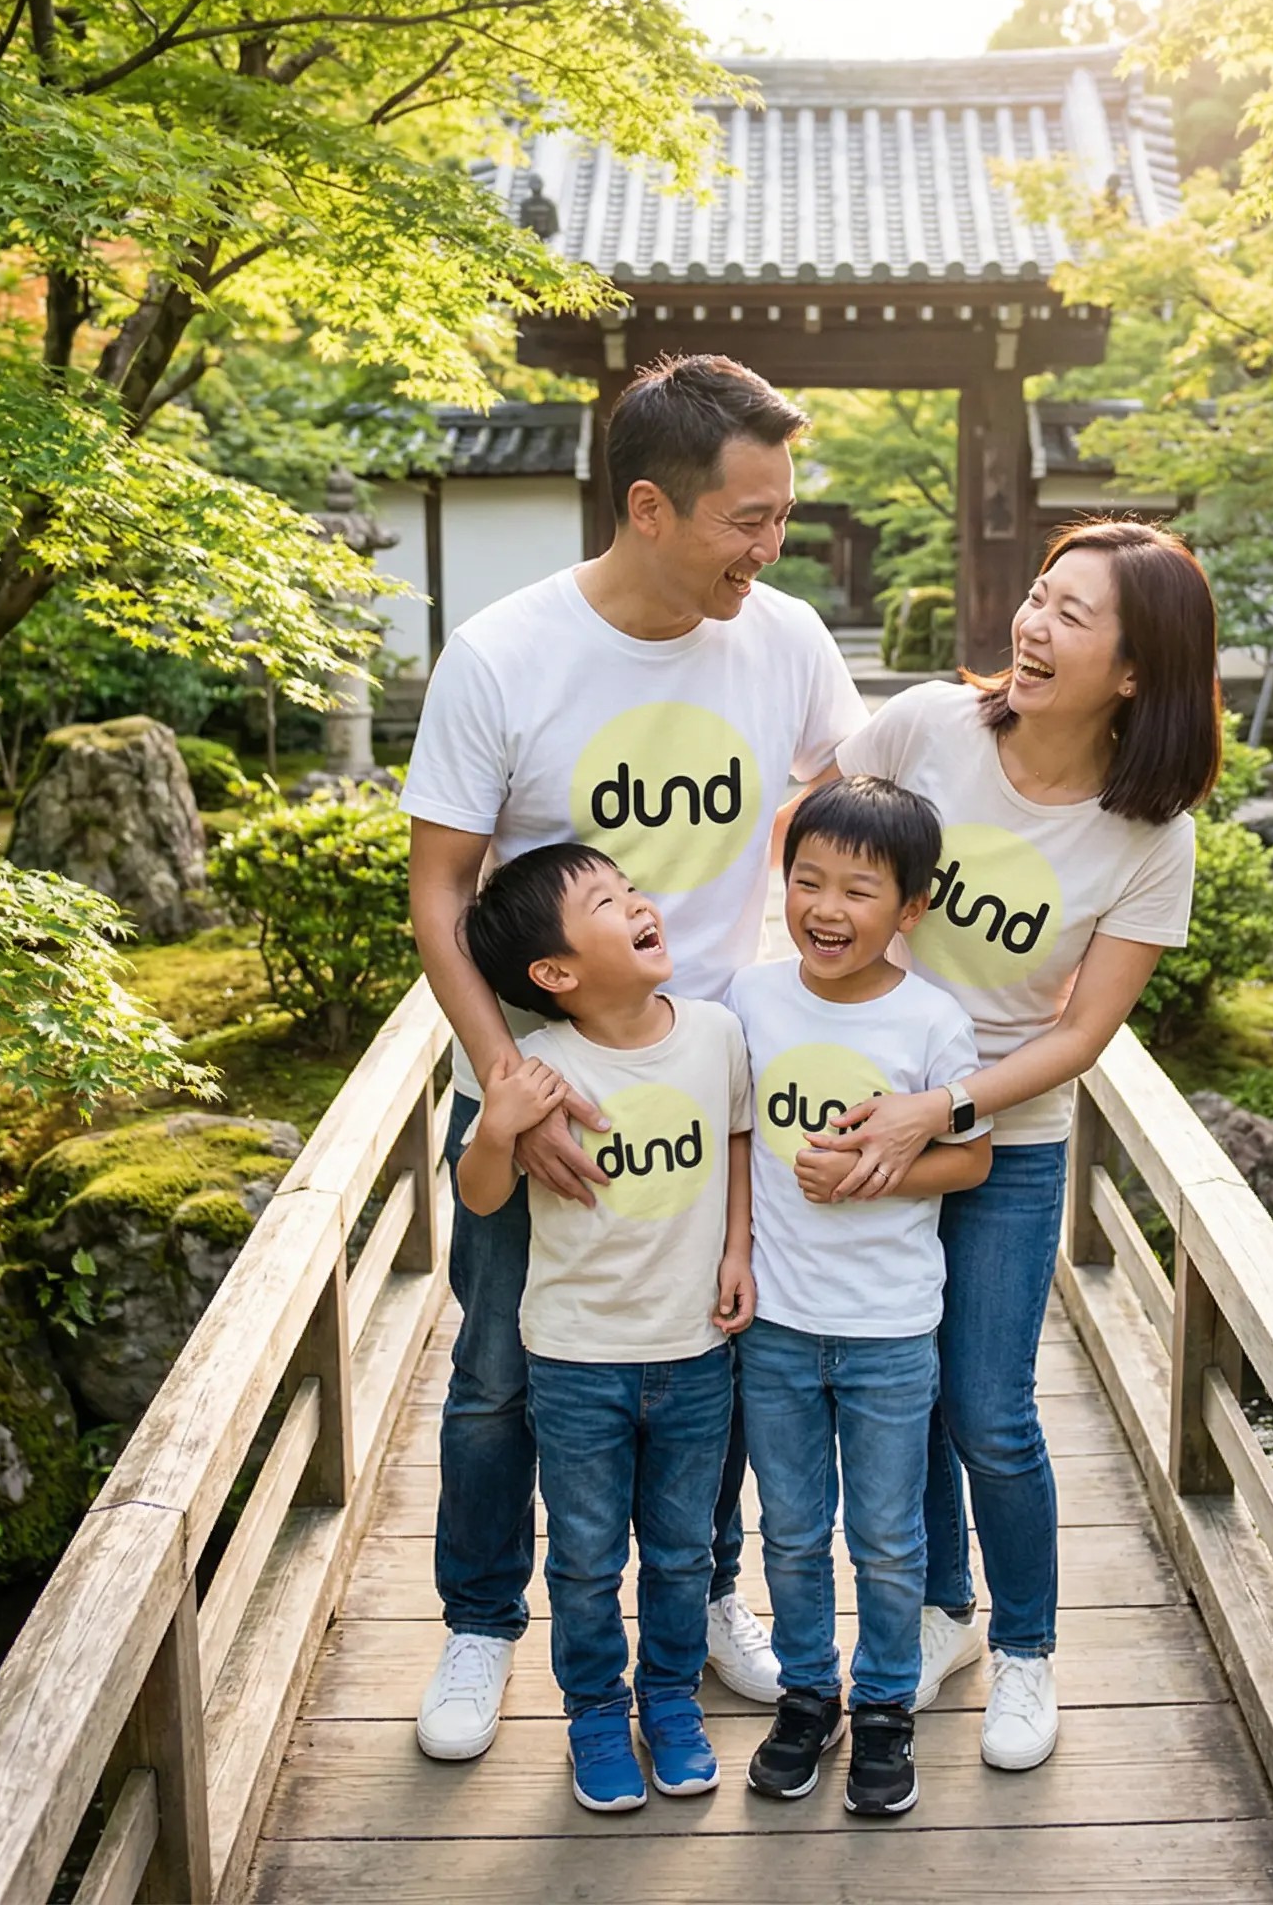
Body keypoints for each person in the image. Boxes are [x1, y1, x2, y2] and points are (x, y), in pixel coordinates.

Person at [400, 354, 868, 1762]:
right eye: (748, 520)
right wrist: (504, 1083)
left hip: (716, 1090)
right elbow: (439, 890)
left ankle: (708, 1598)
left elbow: (854, 803)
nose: (770, 549)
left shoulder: (784, 639)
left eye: (783, 517)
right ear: (652, 509)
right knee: (498, 1372)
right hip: (542, 1086)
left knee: (712, 1357)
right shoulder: (504, 654)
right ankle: (483, 1622)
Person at [822, 523, 1218, 1773]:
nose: (1032, 628)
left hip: (1002, 1135)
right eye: (1035, 599)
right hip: (862, 1105)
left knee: (989, 1409)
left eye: (1071, 616)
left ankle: (1029, 1648)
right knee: (901, 1390)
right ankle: (943, 1612)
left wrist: (940, 1109)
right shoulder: (925, 728)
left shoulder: (1148, 829)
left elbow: (1086, 1032)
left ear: (1136, 669)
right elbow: (817, 852)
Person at [455, 844, 753, 1812]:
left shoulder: (714, 1033)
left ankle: (668, 1697)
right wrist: (498, 1124)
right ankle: (591, 1709)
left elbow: (739, 1140)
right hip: (577, 1362)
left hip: (694, 1352)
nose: (639, 902)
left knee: (681, 1549)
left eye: (631, 890)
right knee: (584, 1556)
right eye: (605, 901)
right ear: (555, 973)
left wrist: (738, 1249)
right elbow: (480, 1191)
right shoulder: (539, 1066)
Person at [726, 775, 993, 1818]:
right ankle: (807, 1695)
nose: (826, 908)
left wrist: (879, 1169)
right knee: (788, 1529)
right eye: (806, 881)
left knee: (887, 1535)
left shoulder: (931, 1018)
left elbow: (967, 1163)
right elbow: (737, 1132)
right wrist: (734, 1252)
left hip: (888, 1328)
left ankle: (884, 1703)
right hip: (779, 1326)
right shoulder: (750, 997)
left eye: (859, 889)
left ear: (911, 906)